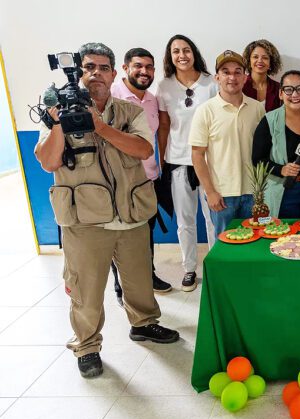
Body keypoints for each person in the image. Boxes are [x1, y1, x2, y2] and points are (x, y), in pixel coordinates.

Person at [34, 42, 179, 378]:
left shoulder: (130, 112)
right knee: (86, 288)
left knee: (140, 281)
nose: (95, 74)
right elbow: (48, 161)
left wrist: (100, 127)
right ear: (79, 73)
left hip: (129, 213)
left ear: (114, 74)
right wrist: (58, 124)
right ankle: (87, 346)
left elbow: (143, 149)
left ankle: (143, 323)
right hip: (84, 221)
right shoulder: (56, 110)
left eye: (102, 68)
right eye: (88, 67)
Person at [156, 34, 218, 292]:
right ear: (170, 57)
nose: (182, 55)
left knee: (213, 218)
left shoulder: (210, 83)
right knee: (185, 220)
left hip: (208, 161)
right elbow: (164, 126)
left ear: (194, 52)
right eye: (176, 51)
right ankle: (189, 268)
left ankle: (216, 266)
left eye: (186, 50)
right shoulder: (164, 86)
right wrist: (161, 161)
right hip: (179, 161)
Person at [110, 47, 172, 302]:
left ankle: (149, 274)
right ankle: (120, 285)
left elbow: (158, 136)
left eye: (149, 67)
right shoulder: (112, 96)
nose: (144, 72)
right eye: (138, 66)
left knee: (145, 233)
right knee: (120, 236)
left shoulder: (152, 100)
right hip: (119, 182)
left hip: (147, 179)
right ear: (125, 68)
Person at [190, 50, 266, 235]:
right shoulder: (205, 111)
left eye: (237, 71)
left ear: (245, 77)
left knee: (254, 245)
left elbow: (264, 150)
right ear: (217, 77)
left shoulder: (257, 108)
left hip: (253, 194)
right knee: (225, 247)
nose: (232, 77)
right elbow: (197, 155)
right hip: (223, 195)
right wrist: (210, 192)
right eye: (226, 72)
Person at [252, 70, 300, 218]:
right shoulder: (269, 120)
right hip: (284, 190)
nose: (295, 95)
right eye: (289, 90)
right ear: (280, 94)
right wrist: (281, 169)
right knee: (284, 237)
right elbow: (257, 159)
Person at [242, 39, 282, 112]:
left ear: (271, 63)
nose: (260, 61)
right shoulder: (240, 86)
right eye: (255, 57)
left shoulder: (278, 88)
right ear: (249, 61)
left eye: (265, 58)